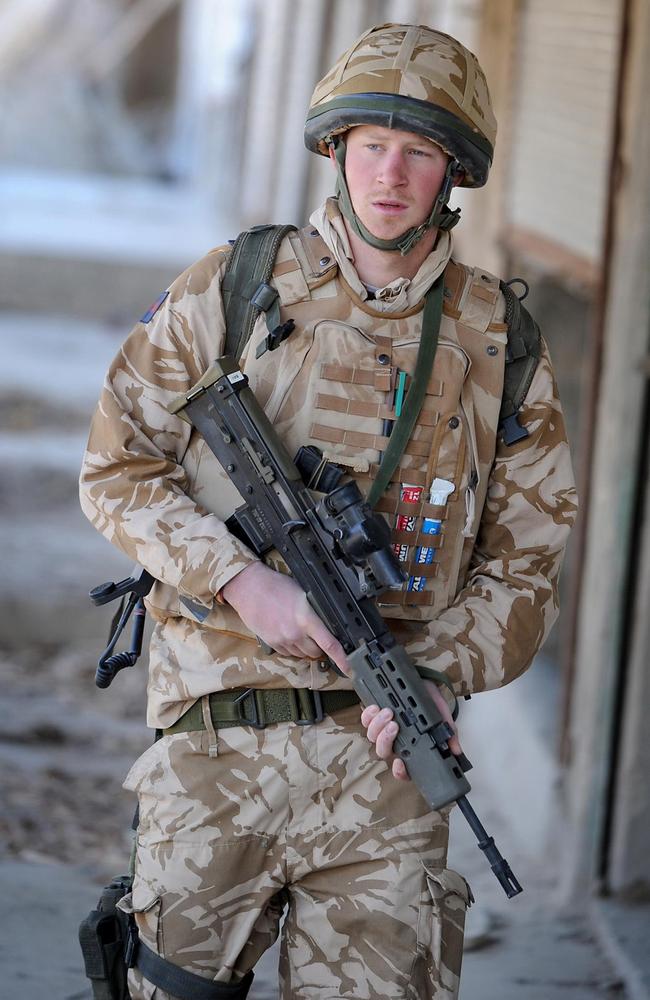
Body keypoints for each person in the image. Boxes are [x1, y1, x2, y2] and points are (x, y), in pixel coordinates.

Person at [80, 22, 577, 1000]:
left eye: (419, 151)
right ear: (336, 149)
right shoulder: (236, 285)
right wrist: (237, 577)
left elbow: (526, 563)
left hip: (386, 773)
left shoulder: (497, 341)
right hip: (218, 748)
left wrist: (437, 675)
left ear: (453, 172)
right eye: (370, 145)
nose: (388, 175)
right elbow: (116, 467)